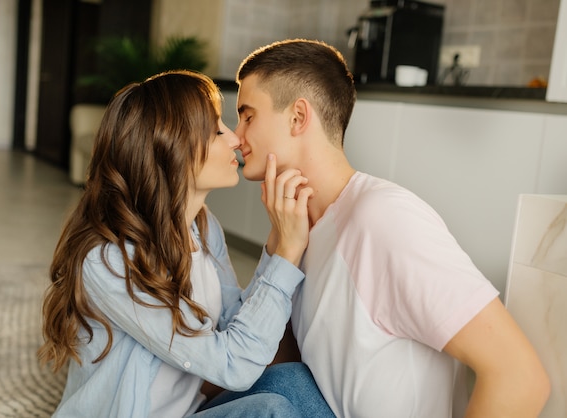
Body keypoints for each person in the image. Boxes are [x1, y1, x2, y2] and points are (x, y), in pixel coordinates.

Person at [233, 39, 551, 418]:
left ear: (298, 118)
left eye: (247, 116)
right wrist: (281, 252)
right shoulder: (297, 231)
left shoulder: (383, 219)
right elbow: (273, 368)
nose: (236, 136)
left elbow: (520, 377)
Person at [37, 70, 334, 418]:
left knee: (294, 381)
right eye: (215, 131)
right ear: (171, 148)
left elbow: (231, 320)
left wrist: (276, 240)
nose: (235, 139)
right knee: (270, 410)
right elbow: (233, 366)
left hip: (187, 411)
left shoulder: (202, 227)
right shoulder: (111, 260)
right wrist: (288, 253)